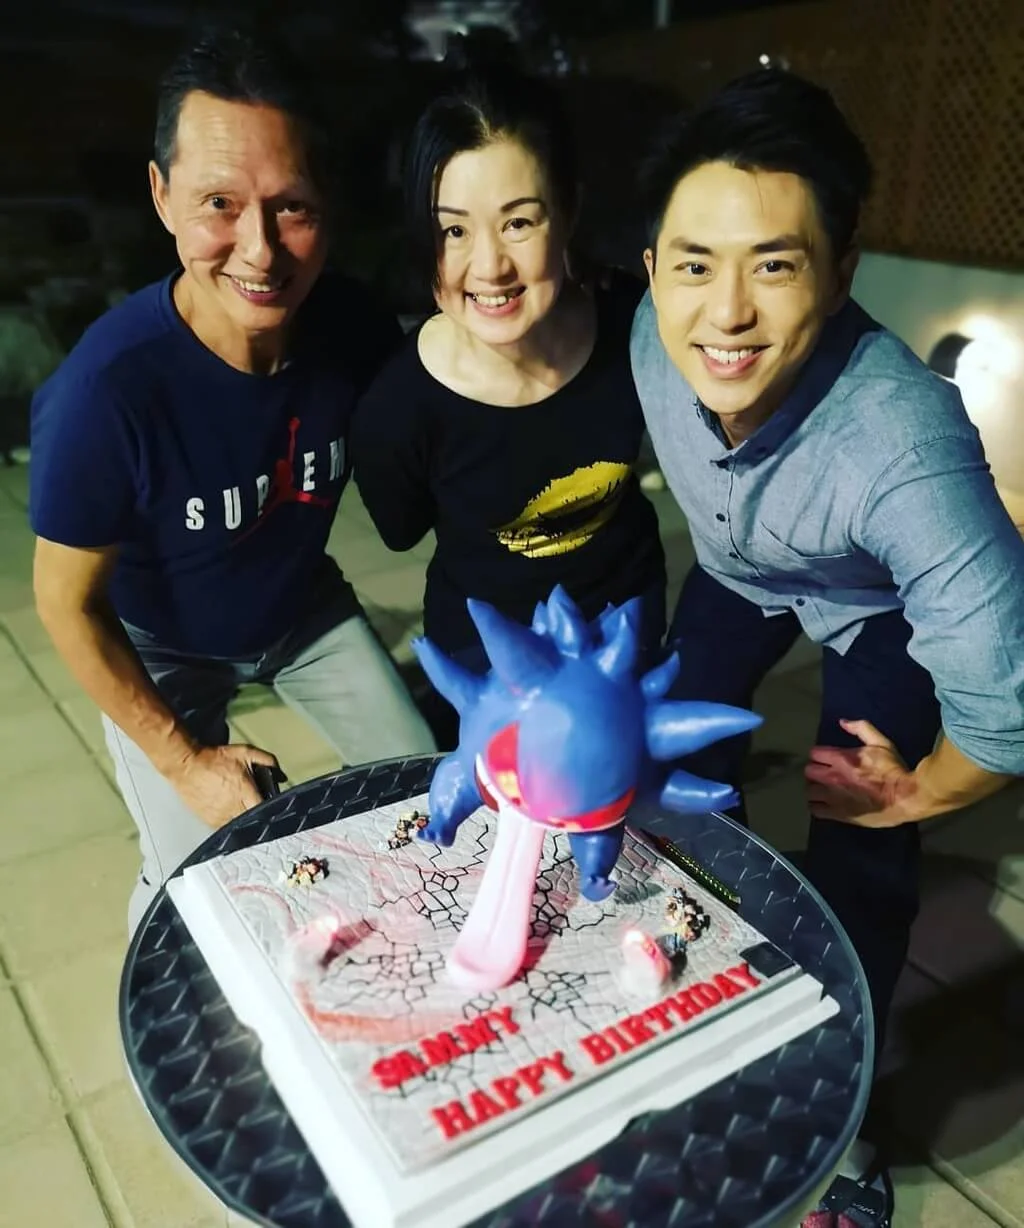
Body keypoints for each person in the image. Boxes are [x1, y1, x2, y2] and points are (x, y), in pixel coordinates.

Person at [631, 68, 1024, 1216]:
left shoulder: (902, 439)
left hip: (871, 605)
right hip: (735, 575)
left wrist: (922, 792)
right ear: (649, 266)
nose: (725, 315)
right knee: (665, 766)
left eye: (774, 264)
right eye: (694, 264)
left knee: (857, 843)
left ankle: (839, 1113)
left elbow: (1006, 699)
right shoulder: (647, 339)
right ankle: (695, 985)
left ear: (841, 271)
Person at [29, 22, 435, 933]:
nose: (259, 250)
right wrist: (186, 763)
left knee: (424, 787)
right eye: (219, 203)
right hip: (162, 641)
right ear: (162, 195)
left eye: (291, 208)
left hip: (300, 611)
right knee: (193, 879)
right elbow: (63, 602)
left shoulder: (352, 329)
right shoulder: (106, 390)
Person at [351, 67, 666, 743]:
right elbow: (400, 528)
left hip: (625, 634)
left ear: (569, 212)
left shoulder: (637, 327)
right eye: (453, 231)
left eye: (519, 222)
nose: (490, 265)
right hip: (487, 656)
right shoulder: (396, 408)